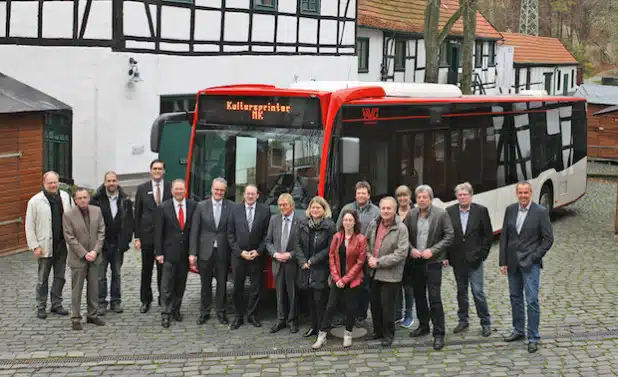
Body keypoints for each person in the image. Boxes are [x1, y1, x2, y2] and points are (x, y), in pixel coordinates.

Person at [499, 181, 554, 353]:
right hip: (513, 262)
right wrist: (503, 261)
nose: (523, 196)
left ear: (531, 193)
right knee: (515, 297)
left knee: (531, 300)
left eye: (526, 193)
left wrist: (535, 257)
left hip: (531, 263)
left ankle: (533, 336)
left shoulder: (541, 212)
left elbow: (548, 239)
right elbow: (504, 237)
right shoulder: (510, 210)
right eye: (520, 193)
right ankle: (518, 330)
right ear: (517, 193)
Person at [407, 185, 454, 351]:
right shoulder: (411, 214)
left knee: (434, 298)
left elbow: (449, 236)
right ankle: (423, 325)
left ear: (430, 198)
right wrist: (411, 249)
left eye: (424, 197)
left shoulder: (441, 214)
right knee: (419, 296)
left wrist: (432, 251)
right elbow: (404, 235)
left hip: (433, 263)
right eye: (418, 197)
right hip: (416, 262)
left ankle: (439, 333)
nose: (421, 199)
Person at [312, 208, 366, 349]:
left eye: (350, 220)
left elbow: (360, 262)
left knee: (350, 308)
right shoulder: (337, 237)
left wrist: (345, 279)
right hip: (337, 279)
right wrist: (337, 278)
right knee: (330, 307)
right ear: (342, 221)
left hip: (353, 280)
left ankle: (348, 334)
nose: (347, 222)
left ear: (355, 222)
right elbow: (331, 257)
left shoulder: (361, 239)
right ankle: (322, 335)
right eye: (345, 220)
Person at [446, 182, 493, 337]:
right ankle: (463, 321)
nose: (462, 197)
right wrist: (447, 256)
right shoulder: (450, 211)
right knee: (461, 292)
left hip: (475, 259)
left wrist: (482, 254)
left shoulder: (481, 211)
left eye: (465, 194)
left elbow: (488, 236)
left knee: (477, 291)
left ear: (471, 195)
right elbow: (447, 235)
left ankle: (485, 322)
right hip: (457, 260)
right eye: (459, 195)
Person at [25, 171, 74, 319]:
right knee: (42, 279)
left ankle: (56, 304)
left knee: (60, 277)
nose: (53, 185)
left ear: (58, 182)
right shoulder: (35, 201)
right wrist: (35, 246)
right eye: (50, 183)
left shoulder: (65, 197)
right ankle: (41, 306)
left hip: (61, 245)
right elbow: (29, 226)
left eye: (55, 182)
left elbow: (71, 219)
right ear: (44, 184)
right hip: (44, 245)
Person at [365, 196, 409, 347]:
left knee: (388, 306)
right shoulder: (374, 224)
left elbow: (401, 253)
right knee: (375, 304)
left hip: (390, 274)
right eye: (383, 208)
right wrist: (369, 257)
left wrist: (379, 262)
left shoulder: (401, 228)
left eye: (388, 208)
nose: (385, 211)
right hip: (373, 272)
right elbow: (366, 243)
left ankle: (388, 334)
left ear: (395, 210)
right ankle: (377, 331)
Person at [189, 177, 233, 325]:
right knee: (205, 283)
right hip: (205, 251)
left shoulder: (231, 206)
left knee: (222, 284)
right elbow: (195, 231)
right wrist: (192, 253)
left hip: (223, 251)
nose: (219, 192)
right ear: (212, 189)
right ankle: (205, 311)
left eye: (222, 190)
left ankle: (221, 312)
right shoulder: (201, 206)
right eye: (216, 189)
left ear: (225, 191)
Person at [335, 181, 380, 325]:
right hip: (348, 254)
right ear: (355, 194)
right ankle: (347, 314)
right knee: (347, 284)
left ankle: (361, 313)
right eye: (358, 192)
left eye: (363, 193)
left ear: (369, 194)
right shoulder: (346, 208)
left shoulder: (376, 211)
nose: (361, 195)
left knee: (364, 286)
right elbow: (338, 229)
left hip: (367, 254)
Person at [227, 184, 271, 330]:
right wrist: (240, 252)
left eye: (253, 194)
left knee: (256, 287)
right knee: (237, 288)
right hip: (239, 256)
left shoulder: (265, 210)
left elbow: (267, 235)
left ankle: (252, 315)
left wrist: (258, 251)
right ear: (244, 195)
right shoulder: (235, 210)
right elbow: (230, 234)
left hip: (256, 256)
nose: (250, 196)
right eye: (248, 194)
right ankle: (238, 316)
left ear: (257, 195)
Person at [90, 171, 134, 315]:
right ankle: (101, 302)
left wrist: (127, 239)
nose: (111, 183)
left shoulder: (125, 199)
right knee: (100, 276)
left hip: (118, 244)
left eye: (113, 180)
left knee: (117, 274)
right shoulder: (96, 199)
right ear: (104, 182)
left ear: (117, 181)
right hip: (102, 244)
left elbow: (130, 221)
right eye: (109, 181)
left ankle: (116, 302)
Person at [62, 187, 106, 330]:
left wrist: (94, 251)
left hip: (95, 256)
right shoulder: (68, 215)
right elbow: (69, 237)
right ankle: (75, 318)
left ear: (89, 198)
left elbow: (101, 232)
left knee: (94, 288)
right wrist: (83, 253)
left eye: (85, 197)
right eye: (79, 198)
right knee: (77, 289)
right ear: (75, 200)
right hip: (78, 258)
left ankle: (92, 315)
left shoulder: (97, 211)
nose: (83, 200)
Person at [155, 179, 196, 328]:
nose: (179, 192)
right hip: (168, 253)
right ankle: (165, 314)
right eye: (176, 189)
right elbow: (158, 232)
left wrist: (193, 252)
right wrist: (158, 252)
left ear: (185, 190)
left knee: (180, 284)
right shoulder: (163, 207)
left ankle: (176, 310)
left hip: (184, 254)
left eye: (181, 189)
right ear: (172, 191)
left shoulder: (192, 206)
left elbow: (193, 231)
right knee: (166, 285)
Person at [134, 159, 172, 313]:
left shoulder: (170, 188)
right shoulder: (142, 189)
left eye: (160, 169)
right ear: (151, 171)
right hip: (147, 236)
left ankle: (163, 299)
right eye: (154, 169)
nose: (157, 171)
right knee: (146, 269)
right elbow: (137, 214)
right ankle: (145, 299)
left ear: (164, 171)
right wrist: (137, 237)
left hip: (165, 236)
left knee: (163, 270)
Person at [296, 196, 336, 338]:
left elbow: (330, 248)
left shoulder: (329, 226)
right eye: (313, 207)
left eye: (318, 207)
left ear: (324, 210)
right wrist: (303, 261)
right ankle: (313, 326)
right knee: (310, 301)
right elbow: (297, 244)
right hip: (306, 268)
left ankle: (322, 328)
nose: (315, 210)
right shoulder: (302, 223)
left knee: (320, 301)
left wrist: (312, 260)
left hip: (321, 268)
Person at [266, 193, 303, 334]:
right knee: (279, 293)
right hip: (277, 263)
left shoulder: (300, 221)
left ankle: (292, 320)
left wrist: (291, 254)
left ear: (292, 206)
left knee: (292, 293)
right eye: (280, 205)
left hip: (292, 263)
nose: (282, 207)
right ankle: (280, 319)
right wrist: (275, 254)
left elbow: (302, 245)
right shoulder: (274, 220)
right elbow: (268, 241)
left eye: (285, 205)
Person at [393, 185, 415, 329]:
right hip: (395, 255)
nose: (402, 198)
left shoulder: (415, 212)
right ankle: (398, 314)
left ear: (409, 196)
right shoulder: (393, 212)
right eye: (400, 196)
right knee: (396, 286)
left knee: (408, 287)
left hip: (410, 256)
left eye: (405, 195)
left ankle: (409, 315)